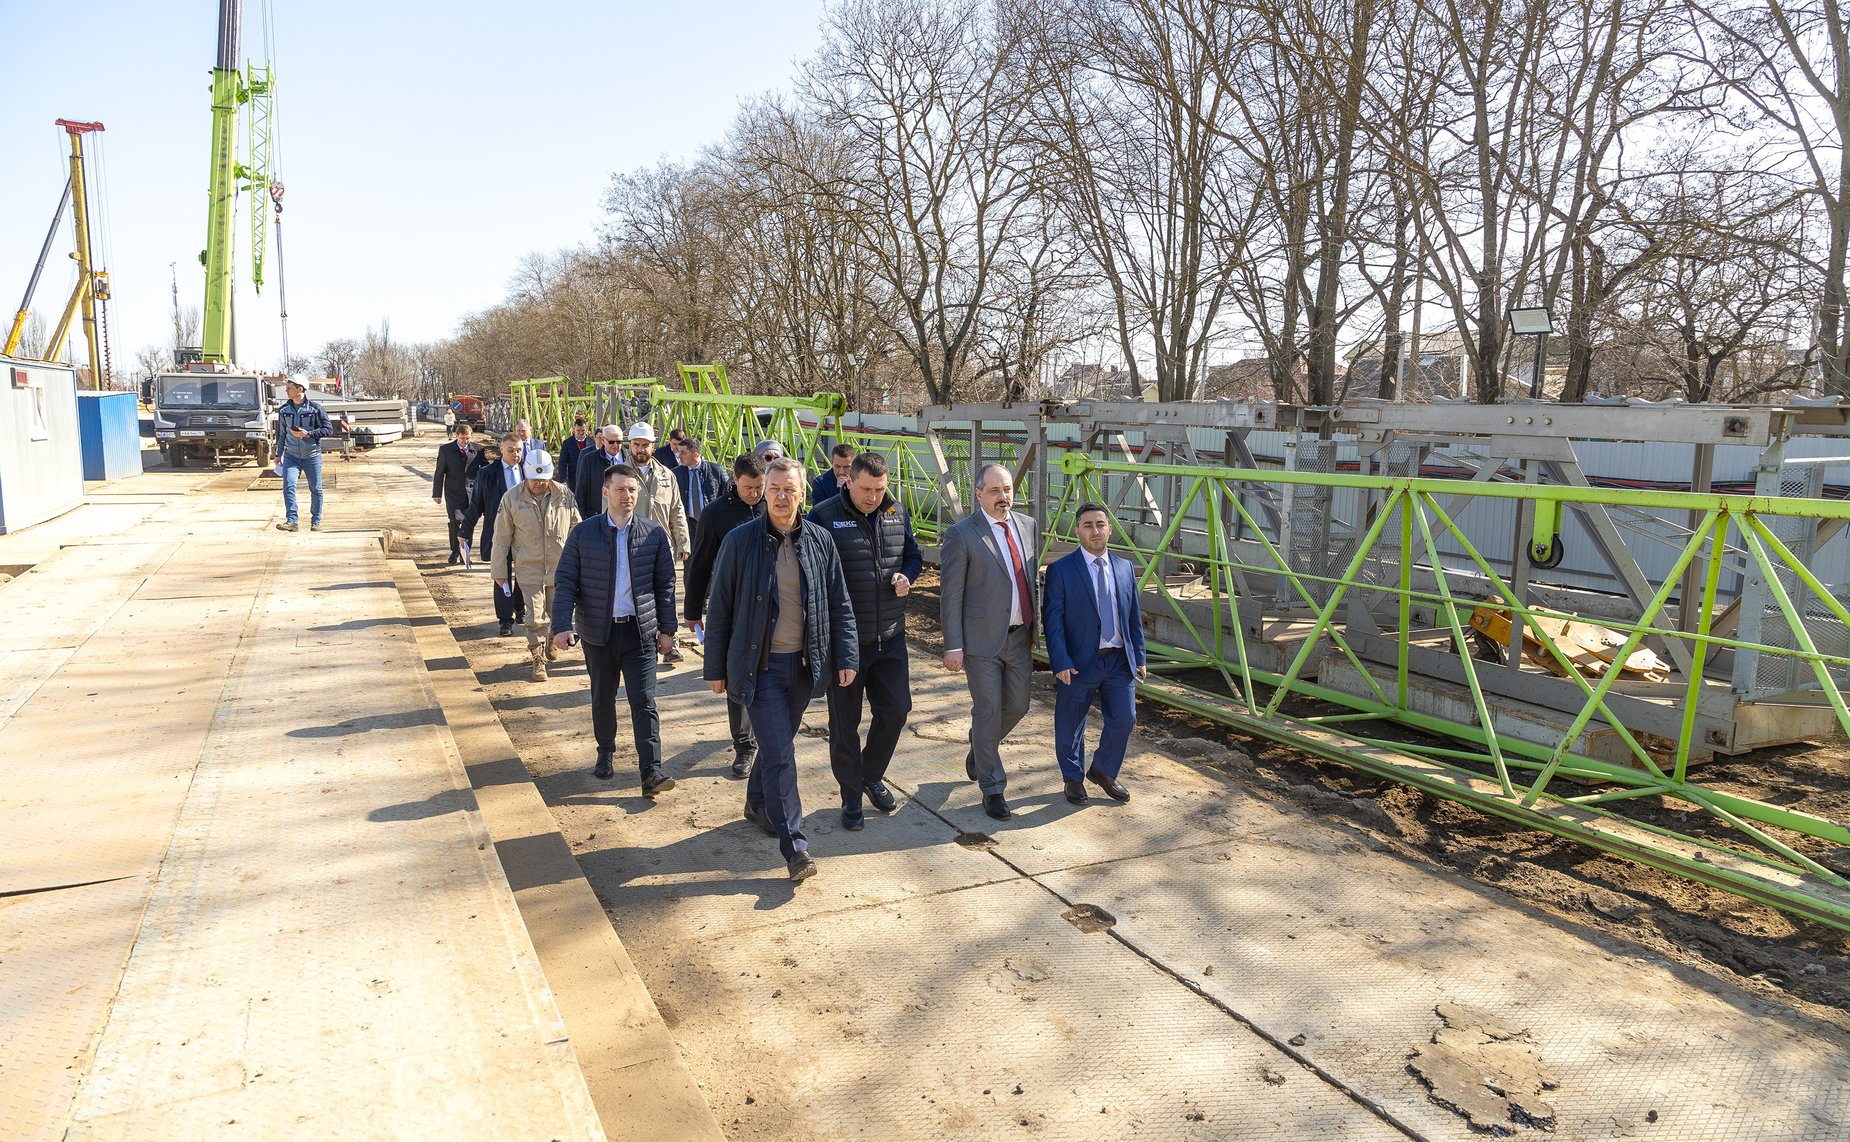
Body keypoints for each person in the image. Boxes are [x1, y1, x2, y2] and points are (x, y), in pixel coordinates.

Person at [704, 457, 858, 882]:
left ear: (802, 493)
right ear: (764, 492)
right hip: (761, 668)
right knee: (781, 755)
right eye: (775, 489)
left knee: (775, 748)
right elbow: (720, 608)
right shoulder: (740, 541)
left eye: (790, 489)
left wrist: (846, 657)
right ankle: (795, 847)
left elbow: (839, 604)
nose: (782, 496)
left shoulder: (822, 542)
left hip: (805, 668)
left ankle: (756, 803)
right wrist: (715, 666)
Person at [810, 452, 923, 830]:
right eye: (866, 489)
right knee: (845, 725)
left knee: (896, 711)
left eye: (880, 488)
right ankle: (849, 799)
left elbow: (912, 554)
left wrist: (907, 576)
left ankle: (870, 775)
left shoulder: (896, 512)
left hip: (890, 635)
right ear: (849, 481)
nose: (873, 496)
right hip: (846, 642)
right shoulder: (824, 516)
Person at [553, 464, 679, 796]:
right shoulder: (584, 533)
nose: (628, 496)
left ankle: (651, 771)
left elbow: (665, 585)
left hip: (639, 634)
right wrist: (562, 625)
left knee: (645, 702)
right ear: (606, 492)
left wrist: (668, 629)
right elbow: (566, 582)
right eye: (621, 489)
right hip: (598, 633)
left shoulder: (653, 534)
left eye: (633, 490)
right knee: (602, 698)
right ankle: (605, 751)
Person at [940, 463, 1039, 821]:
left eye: (1008, 489)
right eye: (995, 491)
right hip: (980, 642)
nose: (1003, 497)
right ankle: (993, 787)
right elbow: (951, 594)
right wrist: (953, 644)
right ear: (979, 494)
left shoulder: (1028, 527)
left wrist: (1035, 629)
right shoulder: (962, 534)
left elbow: (1031, 582)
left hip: (1019, 637)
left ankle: (980, 747)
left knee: (1019, 705)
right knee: (988, 710)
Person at [1042, 503, 1147, 805]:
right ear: (1077, 531)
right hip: (1078, 662)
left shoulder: (1124, 568)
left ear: (1110, 529)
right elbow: (1053, 620)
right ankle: (1073, 779)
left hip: (1117, 660)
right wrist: (1060, 660)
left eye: (1100, 524)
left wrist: (1138, 657)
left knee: (1125, 719)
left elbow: (1133, 617)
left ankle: (1103, 771)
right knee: (1070, 723)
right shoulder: (1061, 570)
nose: (1095, 531)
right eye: (1087, 525)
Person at [685, 453, 766, 778]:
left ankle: (769, 740)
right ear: (735, 480)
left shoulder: (773, 504)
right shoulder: (716, 514)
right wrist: (693, 610)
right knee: (737, 679)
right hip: (733, 608)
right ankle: (744, 747)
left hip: (773, 608)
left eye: (760, 487)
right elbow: (701, 563)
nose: (755, 494)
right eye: (749, 487)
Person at [491, 450, 581, 681]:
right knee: (533, 616)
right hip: (528, 567)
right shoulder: (511, 498)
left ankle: (552, 636)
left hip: (559, 566)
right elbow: (501, 538)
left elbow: (576, 528)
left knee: (556, 611)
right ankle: (537, 658)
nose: (539, 484)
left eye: (543, 479)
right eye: (534, 479)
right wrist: (500, 572)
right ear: (525, 475)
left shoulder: (564, 495)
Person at [626, 423, 692, 664]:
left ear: (654, 446)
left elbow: (677, 511)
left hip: (663, 547)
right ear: (630, 445)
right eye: (637, 445)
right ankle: (639, 643)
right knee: (636, 595)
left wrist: (683, 541)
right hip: (631, 547)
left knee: (666, 594)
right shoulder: (620, 474)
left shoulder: (667, 475)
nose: (641, 449)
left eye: (645, 445)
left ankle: (670, 643)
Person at [465, 435, 527, 637]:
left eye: (519, 450)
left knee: (525, 573)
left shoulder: (529, 472)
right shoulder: (488, 474)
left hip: (525, 534)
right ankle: (505, 620)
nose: (515, 454)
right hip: (498, 534)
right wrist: (465, 532)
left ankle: (519, 607)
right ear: (501, 449)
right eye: (511, 450)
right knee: (502, 575)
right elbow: (476, 505)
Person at [273, 377, 333, 532]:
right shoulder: (284, 410)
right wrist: (278, 454)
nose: (286, 390)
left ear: (300, 389)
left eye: (289, 388)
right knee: (289, 485)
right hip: (291, 455)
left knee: (316, 488)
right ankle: (292, 521)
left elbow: (328, 429)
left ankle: (316, 521)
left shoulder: (315, 409)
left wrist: (308, 434)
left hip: (312, 456)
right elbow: (280, 434)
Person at [431, 422, 486, 564]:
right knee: (455, 522)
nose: (465, 441)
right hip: (453, 492)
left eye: (468, 438)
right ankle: (455, 551)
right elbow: (439, 473)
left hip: (471, 493)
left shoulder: (478, 450)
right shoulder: (446, 450)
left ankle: (465, 553)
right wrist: (437, 493)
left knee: (469, 523)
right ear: (457, 436)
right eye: (462, 438)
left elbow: (486, 471)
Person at [674, 435, 729, 543]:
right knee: (691, 558)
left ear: (695, 454)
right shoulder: (675, 474)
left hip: (712, 524)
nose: (679, 456)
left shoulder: (716, 470)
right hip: (688, 525)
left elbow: (728, 494)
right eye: (678, 452)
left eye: (683, 453)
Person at [573, 424, 626, 519]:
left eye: (619, 442)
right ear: (603, 440)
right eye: (611, 442)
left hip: (624, 516)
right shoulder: (589, 460)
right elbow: (581, 491)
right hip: (597, 515)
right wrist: (581, 518)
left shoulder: (629, 460)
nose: (615, 445)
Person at [810, 443, 856, 507]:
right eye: (837, 466)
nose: (841, 471)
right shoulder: (820, 483)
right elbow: (819, 513)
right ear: (831, 461)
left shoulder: (860, 481)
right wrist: (840, 492)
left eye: (846, 467)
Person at [557, 416, 594, 488]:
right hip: (573, 480)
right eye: (578, 430)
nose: (581, 433)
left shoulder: (592, 441)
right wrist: (563, 481)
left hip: (590, 479)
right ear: (574, 429)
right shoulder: (567, 443)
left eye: (583, 430)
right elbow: (562, 463)